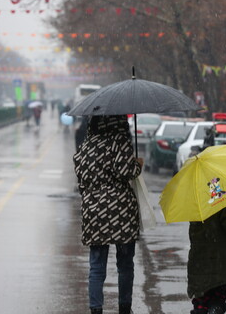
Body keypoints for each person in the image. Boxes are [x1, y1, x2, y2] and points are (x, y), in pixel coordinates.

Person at [73, 115, 143, 314]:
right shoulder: (119, 141)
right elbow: (125, 171)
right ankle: (124, 307)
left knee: (96, 265)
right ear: (118, 122)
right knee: (125, 263)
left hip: (94, 211)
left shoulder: (85, 147)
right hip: (120, 211)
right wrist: (138, 165)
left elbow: (81, 183)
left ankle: (96, 309)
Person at [187, 205, 226, 314]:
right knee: (216, 296)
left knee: (201, 297)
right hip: (219, 260)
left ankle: (200, 309)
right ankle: (215, 307)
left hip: (198, 260)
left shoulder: (195, 201)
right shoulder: (220, 196)